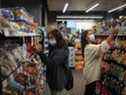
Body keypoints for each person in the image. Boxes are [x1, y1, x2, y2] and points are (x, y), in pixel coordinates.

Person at [81, 30, 115, 95]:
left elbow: (99, 52)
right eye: (90, 34)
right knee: (89, 90)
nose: (92, 35)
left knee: (90, 89)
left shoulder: (89, 46)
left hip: (90, 72)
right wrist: (112, 35)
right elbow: (102, 46)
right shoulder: (89, 47)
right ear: (86, 37)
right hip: (91, 73)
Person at [46, 29, 70, 95]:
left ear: (57, 37)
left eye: (51, 38)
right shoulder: (54, 47)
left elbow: (53, 63)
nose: (50, 40)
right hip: (53, 80)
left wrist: (41, 54)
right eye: (49, 38)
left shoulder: (62, 49)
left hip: (59, 81)